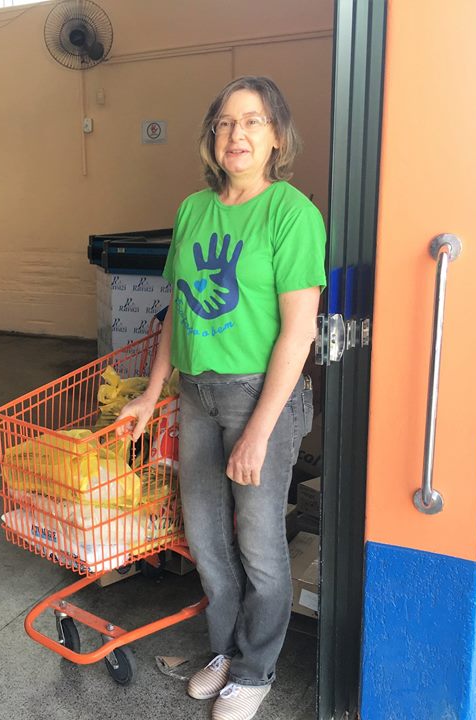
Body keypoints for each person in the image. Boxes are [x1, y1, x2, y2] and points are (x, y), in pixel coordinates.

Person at [116, 77, 326, 720]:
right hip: (197, 394)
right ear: (212, 137)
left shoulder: (292, 213)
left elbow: (299, 332)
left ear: (277, 136)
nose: (237, 134)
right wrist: (151, 394)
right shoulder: (193, 209)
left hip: (261, 398)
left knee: (259, 545)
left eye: (253, 121)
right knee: (207, 538)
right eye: (226, 123)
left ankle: (256, 671)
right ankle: (225, 651)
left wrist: (260, 431)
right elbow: (177, 313)